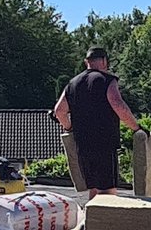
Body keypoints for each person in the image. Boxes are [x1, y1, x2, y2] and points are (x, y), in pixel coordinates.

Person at [52, 47, 142, 196]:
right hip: (104, 143)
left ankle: (92, 218)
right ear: (105, 61)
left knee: (93, 188)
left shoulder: (72, 83)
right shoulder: (107, 80)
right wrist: (136, 128)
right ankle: (106, 219)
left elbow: (59, 111)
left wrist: (69, 128)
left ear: (86, 62)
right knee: (107, 189)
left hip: (82, 144)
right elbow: (118, 105)